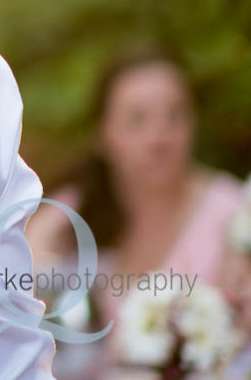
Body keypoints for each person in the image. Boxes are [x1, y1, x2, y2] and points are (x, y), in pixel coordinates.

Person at [27, 47, 250, 338]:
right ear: (103, 133)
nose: (159, 135)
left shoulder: (234, 216)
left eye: (174, 115)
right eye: (137, 119)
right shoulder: (74, 211)